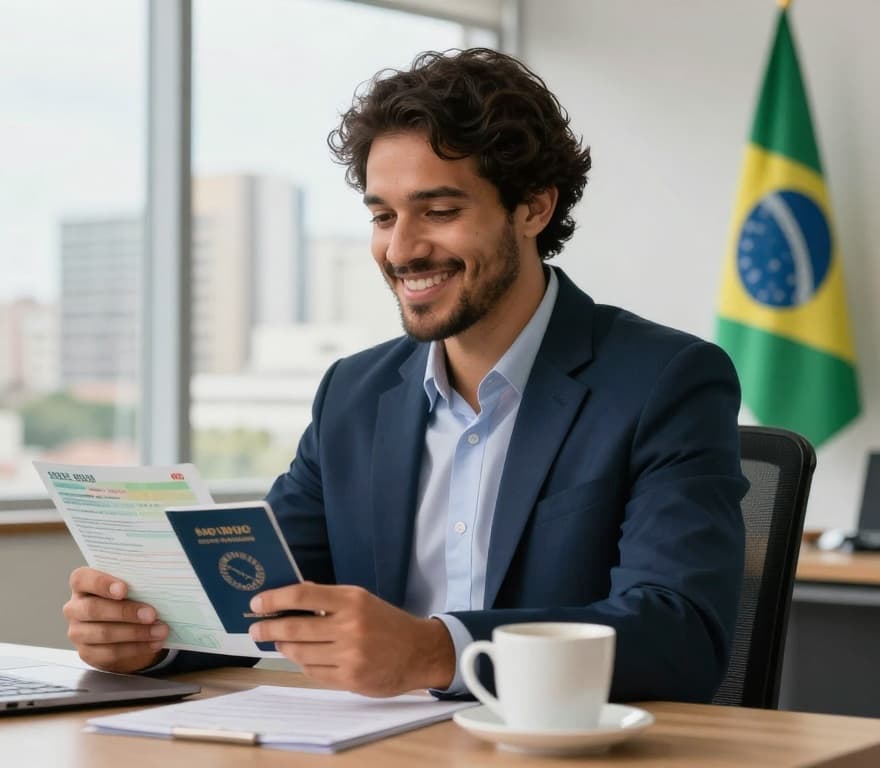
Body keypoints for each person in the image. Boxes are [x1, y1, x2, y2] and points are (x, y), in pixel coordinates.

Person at [62, 48, 747, 703]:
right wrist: (151, 638)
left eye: (440, 212)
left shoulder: (666, 380)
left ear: (534, 207)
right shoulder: (352, 395)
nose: (401, 249)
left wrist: (435, 650)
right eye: (383, 216)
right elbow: (264, 596)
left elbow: (679, 632)